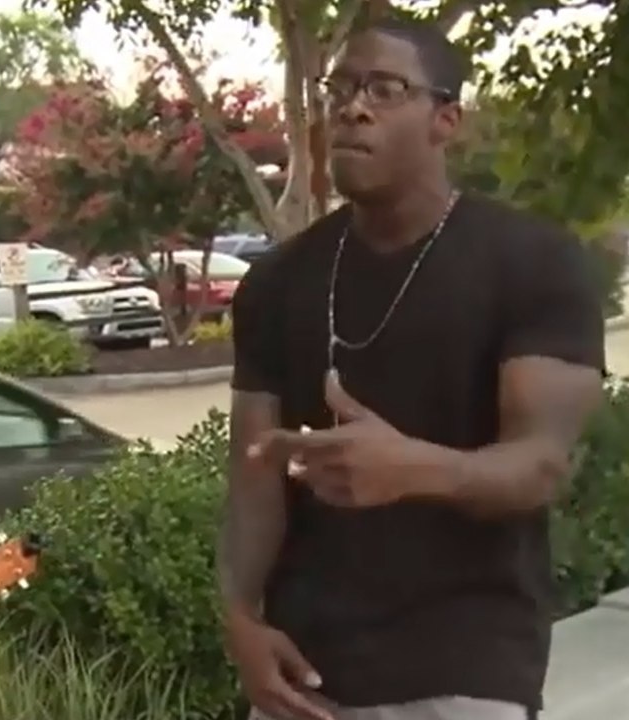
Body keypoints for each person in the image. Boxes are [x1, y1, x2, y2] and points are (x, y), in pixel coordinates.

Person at [221, 17, 605, 720]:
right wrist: (240, 618)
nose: (353, 107)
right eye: (340, 86)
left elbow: (539, 465)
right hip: (305, 679)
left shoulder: (532, 263)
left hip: (463, 671)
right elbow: (254, 472)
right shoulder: (276, 282)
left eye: (386, 89)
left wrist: (413, 469)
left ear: (446, 119)